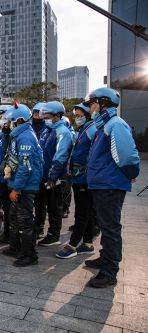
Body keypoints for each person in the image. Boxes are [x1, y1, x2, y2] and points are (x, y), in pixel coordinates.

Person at [83, 88, 140, 288]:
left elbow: (127, 157)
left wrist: (130, 174)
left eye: (92, 103)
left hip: (109, 186)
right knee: (106, 226)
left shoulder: (115, 124)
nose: (90, 107)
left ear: (102, 103)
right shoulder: (104, 125)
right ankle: (105, 258)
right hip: (102, 184)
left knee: (110, 228)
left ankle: (109, 271)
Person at [0, 103, 43, 266]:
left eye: (10, 120)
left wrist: (17, 189)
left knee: (25, 220)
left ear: (18, 120)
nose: (7, 123)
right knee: (14, 217)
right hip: (18, 183)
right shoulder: (18, 135)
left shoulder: (25, 137)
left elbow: (26, 167)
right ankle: (16, 247)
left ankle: (30, 255)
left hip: (24, 186)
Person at [56, 103, 97, 259]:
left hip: (85, 178)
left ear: (87, 114)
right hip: (80, 177)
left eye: (80, 115)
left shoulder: (91, 129)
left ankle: (72, 245)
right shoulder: (83, 129)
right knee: (87, 212)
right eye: (76, 115)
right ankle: (87, 244)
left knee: (82, 213)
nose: (77, 118)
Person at [35, 101, 73, 246]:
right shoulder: (47, 129)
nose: (44, 118)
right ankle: (39, 229)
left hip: (55, 177)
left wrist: (52, 176)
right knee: (40, 204)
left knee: (54, 207)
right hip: (43, 175)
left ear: (57, 115)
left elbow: (60, 156)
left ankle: (53, 235)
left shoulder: (63, 132)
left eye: (47, 115)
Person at [0, 105, 12, 244]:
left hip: (8, 177)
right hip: (1, 175)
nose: (2, 120)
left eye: (4, 116)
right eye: (0, 117)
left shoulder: (12, 133)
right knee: (5, 207)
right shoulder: (2, 133)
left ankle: (10, 235)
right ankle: (7, 233)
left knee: (11, 209)